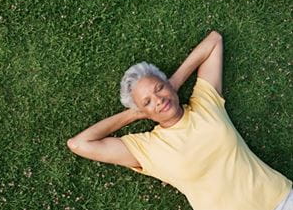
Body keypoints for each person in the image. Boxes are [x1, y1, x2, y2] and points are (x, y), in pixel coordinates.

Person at [67, 31, 292, 210]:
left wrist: (173, 82)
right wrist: (134, 113)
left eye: (159, 88)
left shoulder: (205, 103)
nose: (158, 99)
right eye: (147, 102)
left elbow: (214, 41)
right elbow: (79, 144)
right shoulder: (147, 148)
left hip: (282, 198)